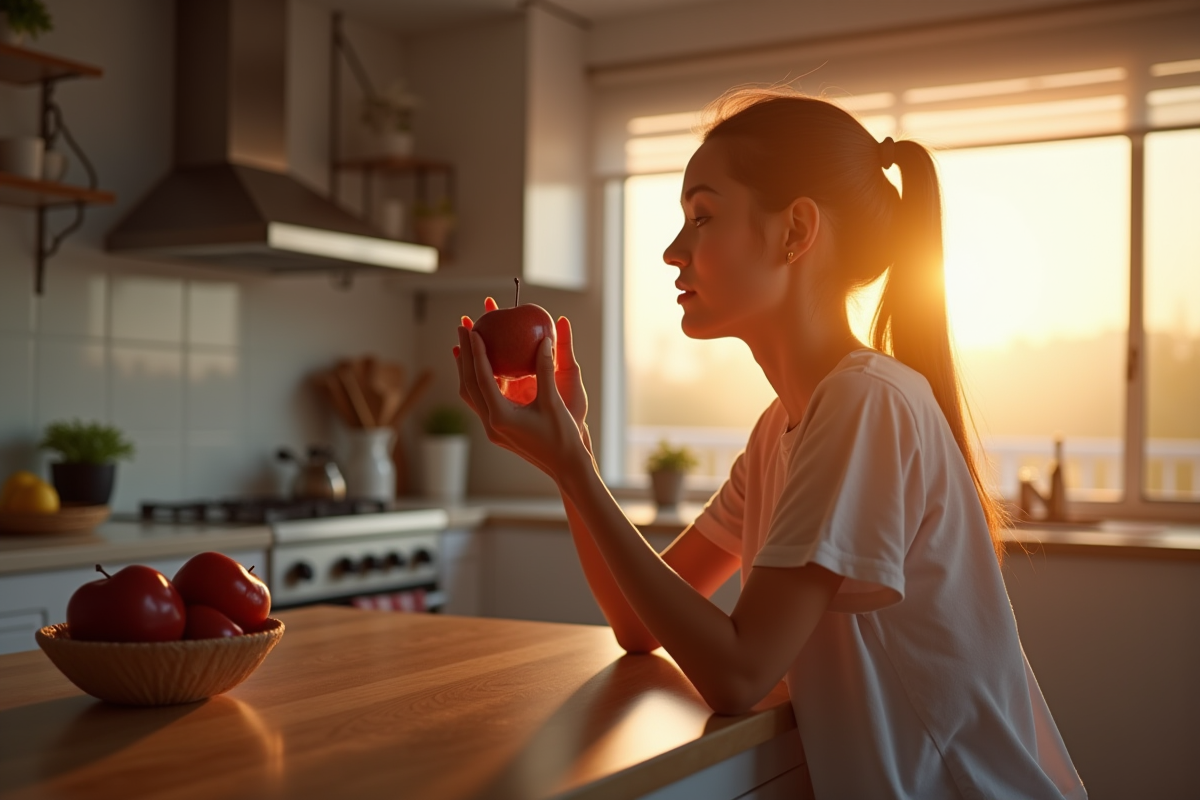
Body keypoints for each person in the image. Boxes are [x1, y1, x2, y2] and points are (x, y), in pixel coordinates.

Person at [454, 87, 1086, 800]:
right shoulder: (780, 430)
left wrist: (573, 464)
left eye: (703, 215)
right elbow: (637, 624)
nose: (671, 250)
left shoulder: (865, 403)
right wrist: (574, 461)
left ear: (795, 231)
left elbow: (738, 670)